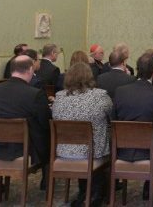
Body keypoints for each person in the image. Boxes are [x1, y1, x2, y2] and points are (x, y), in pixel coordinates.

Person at [52, 63, 113, 206]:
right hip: (93, 153)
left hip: (64, 152)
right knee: (108, 139)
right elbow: (112, 116)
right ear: (90, 76)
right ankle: (96, 194)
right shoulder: (100, 96)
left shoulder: (59, 97)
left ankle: (85, 192)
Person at [112, 52, 153, 200]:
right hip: (150, 153)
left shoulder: (120, 91)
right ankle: (149, 185)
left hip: (122, 151)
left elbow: (114, 120)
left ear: (137, 69)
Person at [0, 55, 51, 190]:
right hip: (28, 148)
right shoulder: (35, 93)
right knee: (49, 135)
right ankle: (46, 181)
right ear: (30, 70)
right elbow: (46, 122)